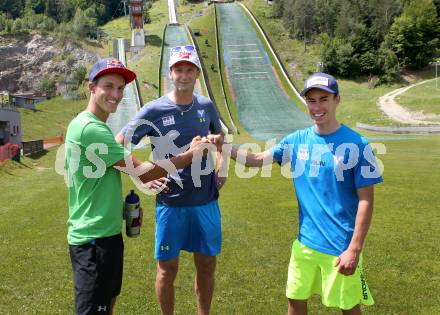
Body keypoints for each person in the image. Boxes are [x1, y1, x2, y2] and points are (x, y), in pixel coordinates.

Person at [224, 72, 383, 315]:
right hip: (305, 244)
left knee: (348, 306)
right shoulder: (297, 140)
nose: (317, 106)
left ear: (337, 100)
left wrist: (354, 249)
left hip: (340, 247)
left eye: (324, 99)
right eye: (311, 100)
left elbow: (366, 201)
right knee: (295, 301)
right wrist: (223, 147)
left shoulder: (358, 145)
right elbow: (256, 159)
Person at [65, 58, 209, 315]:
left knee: (106, 305)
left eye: (120, 89)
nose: (115, 95)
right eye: (108, 86)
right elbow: (144, 172)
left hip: (105, 233)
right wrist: (189, 155)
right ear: (91, 88)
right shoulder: (90, 129)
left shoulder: (97, 127)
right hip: (92, 240)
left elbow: (95, 181)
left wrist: (122, 209)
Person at [116, 45, 225, 315]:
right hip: (170, 203)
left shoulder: (206, 106)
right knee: (167, 269)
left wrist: (221, 166)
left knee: (207, 264)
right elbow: (117, 145)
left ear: (197, 74)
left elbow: (220, 139)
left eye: (190, 70)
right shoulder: (153, 110)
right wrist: (143, 177)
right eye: (179, 70)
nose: (184, 76)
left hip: (205, 201)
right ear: (170, 73)